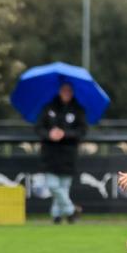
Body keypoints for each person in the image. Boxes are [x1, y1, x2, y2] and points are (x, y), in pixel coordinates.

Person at [34, 83, 87, 224]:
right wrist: (49, 134)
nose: (66, 93)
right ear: (59, 91)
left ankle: (56, 216)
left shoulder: (78, 110)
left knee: (64, 187)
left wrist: (65, 134)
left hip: (68, 154)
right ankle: (71, 210)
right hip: (50, 154)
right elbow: (39, 128)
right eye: (64, 90)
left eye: (69, 90)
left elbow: (81, 131)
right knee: (52, 185)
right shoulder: (48, 108)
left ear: (72, 92)